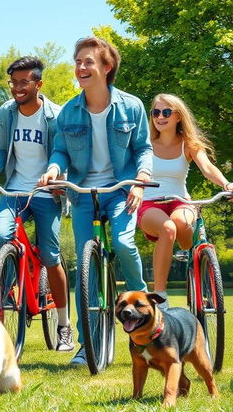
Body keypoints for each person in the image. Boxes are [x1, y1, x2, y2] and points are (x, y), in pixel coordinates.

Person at [39, 36, 153, 367]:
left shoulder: (131, 106)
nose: (81, 67)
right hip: (83, 193)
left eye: (88, 61)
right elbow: (60, 149)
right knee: (84, 271)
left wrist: (141, 182)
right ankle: (87, 344)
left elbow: (144, 148)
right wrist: (53, 169)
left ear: (107, 67)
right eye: (77, 61)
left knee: (122, 241)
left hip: (121, 189)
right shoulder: (69, 111)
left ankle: (143, 303)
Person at [0, 56, 73, 351]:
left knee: (51, 255)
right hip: (15, 190)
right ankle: (6, 292)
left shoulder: (55, 116)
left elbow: (60, 152)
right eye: (13, 82)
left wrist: (55, 178)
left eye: (23, 82)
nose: (17, 88)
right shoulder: (6, 112)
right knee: (1, 236)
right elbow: (1, 148)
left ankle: (64, 325)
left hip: (45, 192)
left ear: (38, 84)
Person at [138, 93, 233, 302]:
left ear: (178, 116)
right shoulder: (144, 142)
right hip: (149, 203)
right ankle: (160, 296)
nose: (160, 117)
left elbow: (207, 168)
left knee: (180, 223)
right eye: (155, 112)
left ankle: (193, 256)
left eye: (166, 112)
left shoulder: (188, 144)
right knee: (168, 228)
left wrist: (226, 184)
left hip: (180, 201)